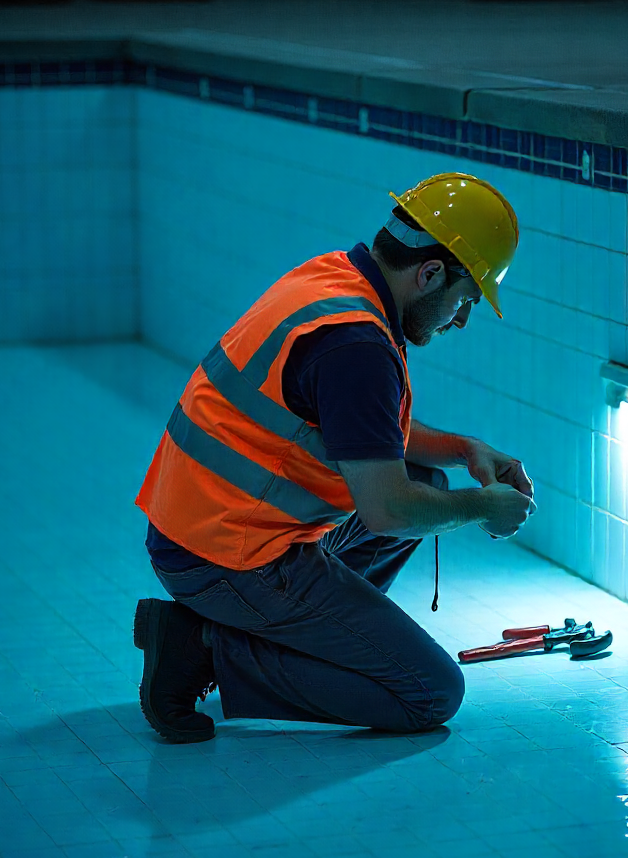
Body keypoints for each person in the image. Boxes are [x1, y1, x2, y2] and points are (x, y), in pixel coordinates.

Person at [133, 172, 536, 743]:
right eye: (465, 299)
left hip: (202, 527)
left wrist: (465, 449)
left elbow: (367, 428)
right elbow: (386, 511)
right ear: (429, 274)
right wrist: (481, 508)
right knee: (429, 691)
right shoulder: (355, 344)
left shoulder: (337, 281)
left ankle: (291, 631)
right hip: (225, 556)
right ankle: (203, 648)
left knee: (423, 477)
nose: (462, 319)